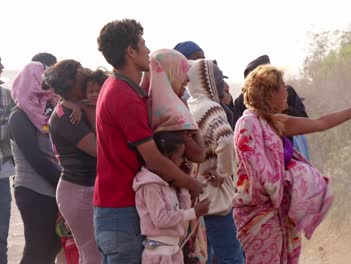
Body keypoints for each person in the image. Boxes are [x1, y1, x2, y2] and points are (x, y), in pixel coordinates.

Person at [233, 65, 351, 263]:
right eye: (283, 88)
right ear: (270, 94)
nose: (286, 93)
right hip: (259, 215)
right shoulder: (247, 124)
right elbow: (255, 173)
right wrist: (287, 182)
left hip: (280, 212)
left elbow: (320, 124)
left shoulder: (275, 121)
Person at [94, 19, 203, 264]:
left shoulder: (123, 89)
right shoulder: (123, 96)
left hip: (118, 206)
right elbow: (153, 158)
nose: (147, 50)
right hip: (121, 210)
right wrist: (190, 183)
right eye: (143, 44)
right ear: (131, 51)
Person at [187, 59, 245, 264]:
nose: (222, 83)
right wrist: (223, 172)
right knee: (232, 256)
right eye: (218, 77)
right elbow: (226, 139)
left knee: (210, 256)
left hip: (198, 193)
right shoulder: (212, 108)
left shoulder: (190, 106)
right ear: (206, 81)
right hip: (216, 194)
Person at [45, 60, 102, 264]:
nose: (85, 72)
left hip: (86, 187)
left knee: (94, 252)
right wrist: (87, 110)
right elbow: (98, 149)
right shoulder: (64, 116)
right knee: (92, 253)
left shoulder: (79, 105)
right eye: (79, 72)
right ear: (70, 83)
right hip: (78, 190)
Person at [9, 61, 62, 263]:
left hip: (52, 189)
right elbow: (35, 158)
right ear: (31, 82)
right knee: (36, 249)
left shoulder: (44, 113)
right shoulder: (19, 116)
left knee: (52, 247)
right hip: (33, 191)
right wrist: (62, 182)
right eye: (44, 81)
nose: (48, 88)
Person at [134, 131, 211, 264]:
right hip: (158, 254)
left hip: (173, 250)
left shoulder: (168, 182)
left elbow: (182, 210)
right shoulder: (150, 185)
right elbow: (161, 219)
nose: (182, 161)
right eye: (180, 156)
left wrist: (183, 184)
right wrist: (193, 212)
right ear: (166, 158)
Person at [234, 55, 311, 159]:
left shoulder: (286, 91)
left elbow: (305, 120)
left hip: (289, 149)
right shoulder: (241, 102)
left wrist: (286, 110)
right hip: (261, 154)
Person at [0, 57, 15, 264]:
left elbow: (12, 133)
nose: (2, 67)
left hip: (2, 174)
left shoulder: (6, 95)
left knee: (1, 235)